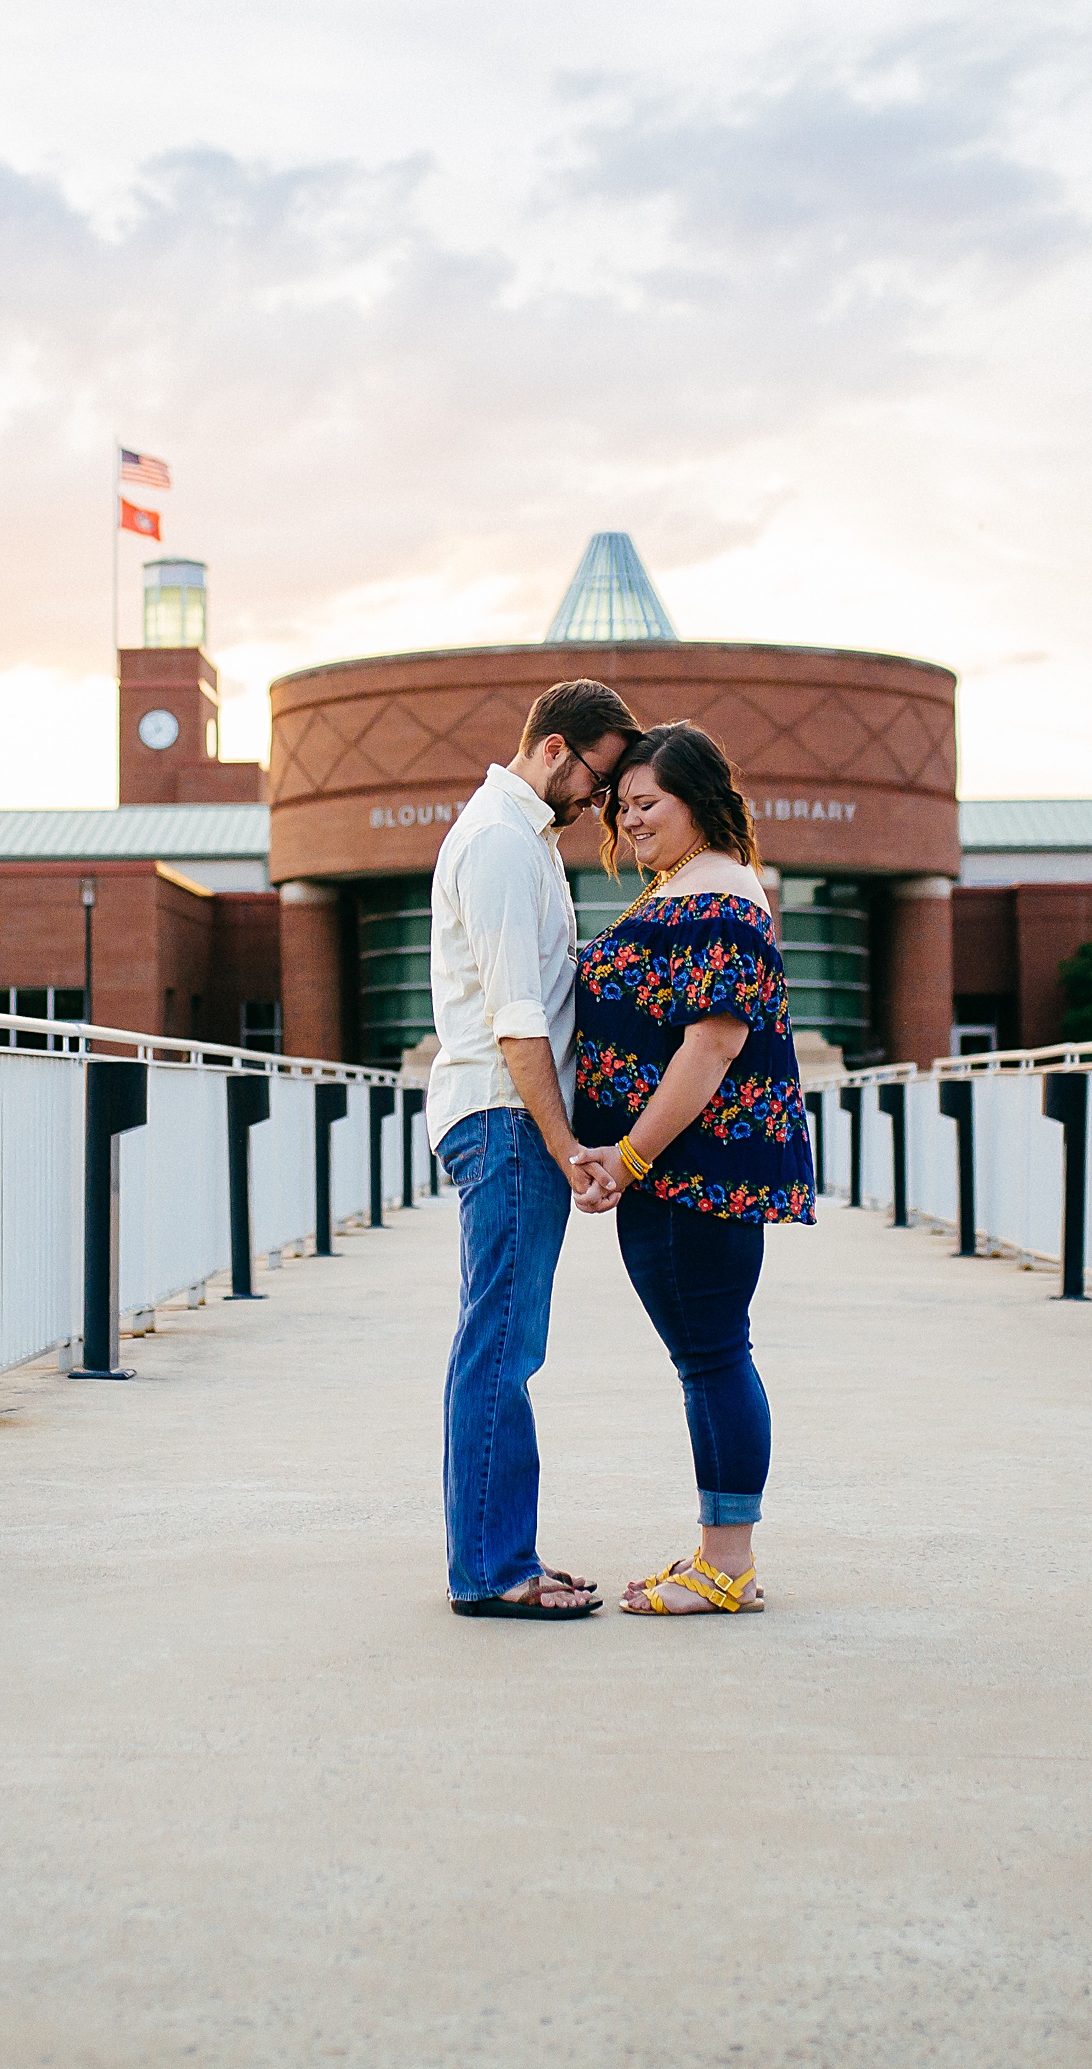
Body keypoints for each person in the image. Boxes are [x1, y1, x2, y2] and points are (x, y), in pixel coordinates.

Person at [568, 721, 814, 1615]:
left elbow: (709, 1049)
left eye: (648, 803)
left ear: (699, 802)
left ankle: (728, 1566)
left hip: (688, 1175)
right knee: (707, 1357)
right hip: (673, 1174)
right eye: (622, 805)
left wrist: (628, 1156)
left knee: (712, 1358)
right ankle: (720, 1550)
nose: (630, 820)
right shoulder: (693, 888)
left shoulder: (718, 898)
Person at [428, 678, 642, 1618]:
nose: (600, 804)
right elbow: (520, 1022)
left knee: (505, 1341)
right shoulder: (503, 843)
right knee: (501, 1345)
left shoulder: (521, 841)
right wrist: (564, 1147)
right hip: (506, 1120)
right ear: (553, 749)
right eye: (597, 781)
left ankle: (504, 1552)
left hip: (507, 1120)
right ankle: (491, 1569)